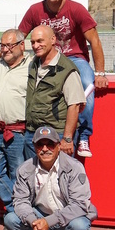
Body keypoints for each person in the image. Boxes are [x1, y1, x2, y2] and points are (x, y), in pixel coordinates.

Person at [18, 0, 108, 157]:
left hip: (73, 57)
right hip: (44, 58)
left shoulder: (76, 9)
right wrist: (3, 51)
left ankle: (83, 134)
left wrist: (99, 73)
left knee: (85, 82)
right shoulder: (35, 10)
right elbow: (20, 36)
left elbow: (95, 41)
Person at [4, 125, 97, 230]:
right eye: (40, 144)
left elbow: (79, 204)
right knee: (10, 219)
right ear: (34, 147)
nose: (45, 149)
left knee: (80, 227)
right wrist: (33, 221)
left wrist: (48, 222)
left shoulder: (74, 167)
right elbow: (20, 200)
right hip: (40, 215)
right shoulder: (25, 169)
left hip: (68, 216)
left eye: (50, 144)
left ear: (59, 146)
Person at [25, 25, 85, 159]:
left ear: (53, 40)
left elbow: (74, 106)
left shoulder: (67, 69)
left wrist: (67, 139)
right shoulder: (33, 64)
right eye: (33, 42)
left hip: (56, 134)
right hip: (32, 133)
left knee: (59, 176)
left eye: (40, 41)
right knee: (34, 177)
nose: (36, 45)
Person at [0, 29, 30, 213]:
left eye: (10, 45)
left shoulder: (32, 66)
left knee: (18, 174)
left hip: (18, 132)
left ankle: (20, 213)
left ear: (22, 45)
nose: (5, 49)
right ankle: (15, 209)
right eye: (2, 45)